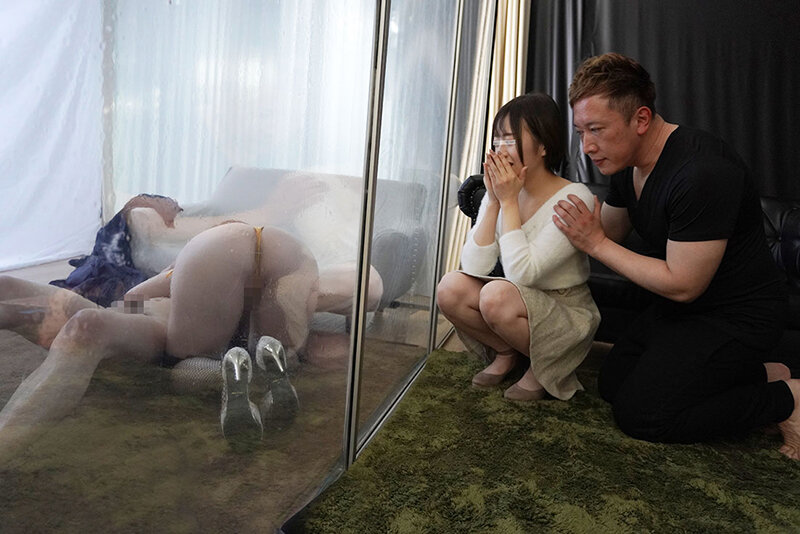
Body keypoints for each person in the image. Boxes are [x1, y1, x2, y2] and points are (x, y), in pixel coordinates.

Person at [552, 53, 800, 460]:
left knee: (642, 415)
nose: (587, 146)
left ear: (641, 119)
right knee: (613, 384)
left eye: (596, 129)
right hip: (684, 310)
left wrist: (594, 244)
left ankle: (787, 398)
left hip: (738, 315)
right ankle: (761, 376)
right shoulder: (625, 161)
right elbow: (609, 230)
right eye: (580, 131)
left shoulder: (702, 172)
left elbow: (683, 284)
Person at [0, 217, 320, 465]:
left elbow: (134, 297)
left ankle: (225, 376)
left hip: (153, 327)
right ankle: (241, 370)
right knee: (15, 291)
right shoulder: (242, 281)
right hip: (166, 321)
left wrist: (124, 310)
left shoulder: (182, 268)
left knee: (100, 331)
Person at [437, 93, 600, 402]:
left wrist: (509, 201)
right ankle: (506, 351)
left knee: (496, 295)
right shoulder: (504, 192)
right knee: (450, 287)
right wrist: (494, 202)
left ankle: (546, 365)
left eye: (510, 141)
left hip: (564, 310)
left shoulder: (574, 197)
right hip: (517, 298)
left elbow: (523, 273)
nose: (501, 151)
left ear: (543, 146)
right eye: (497, 141)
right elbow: (473, 267)